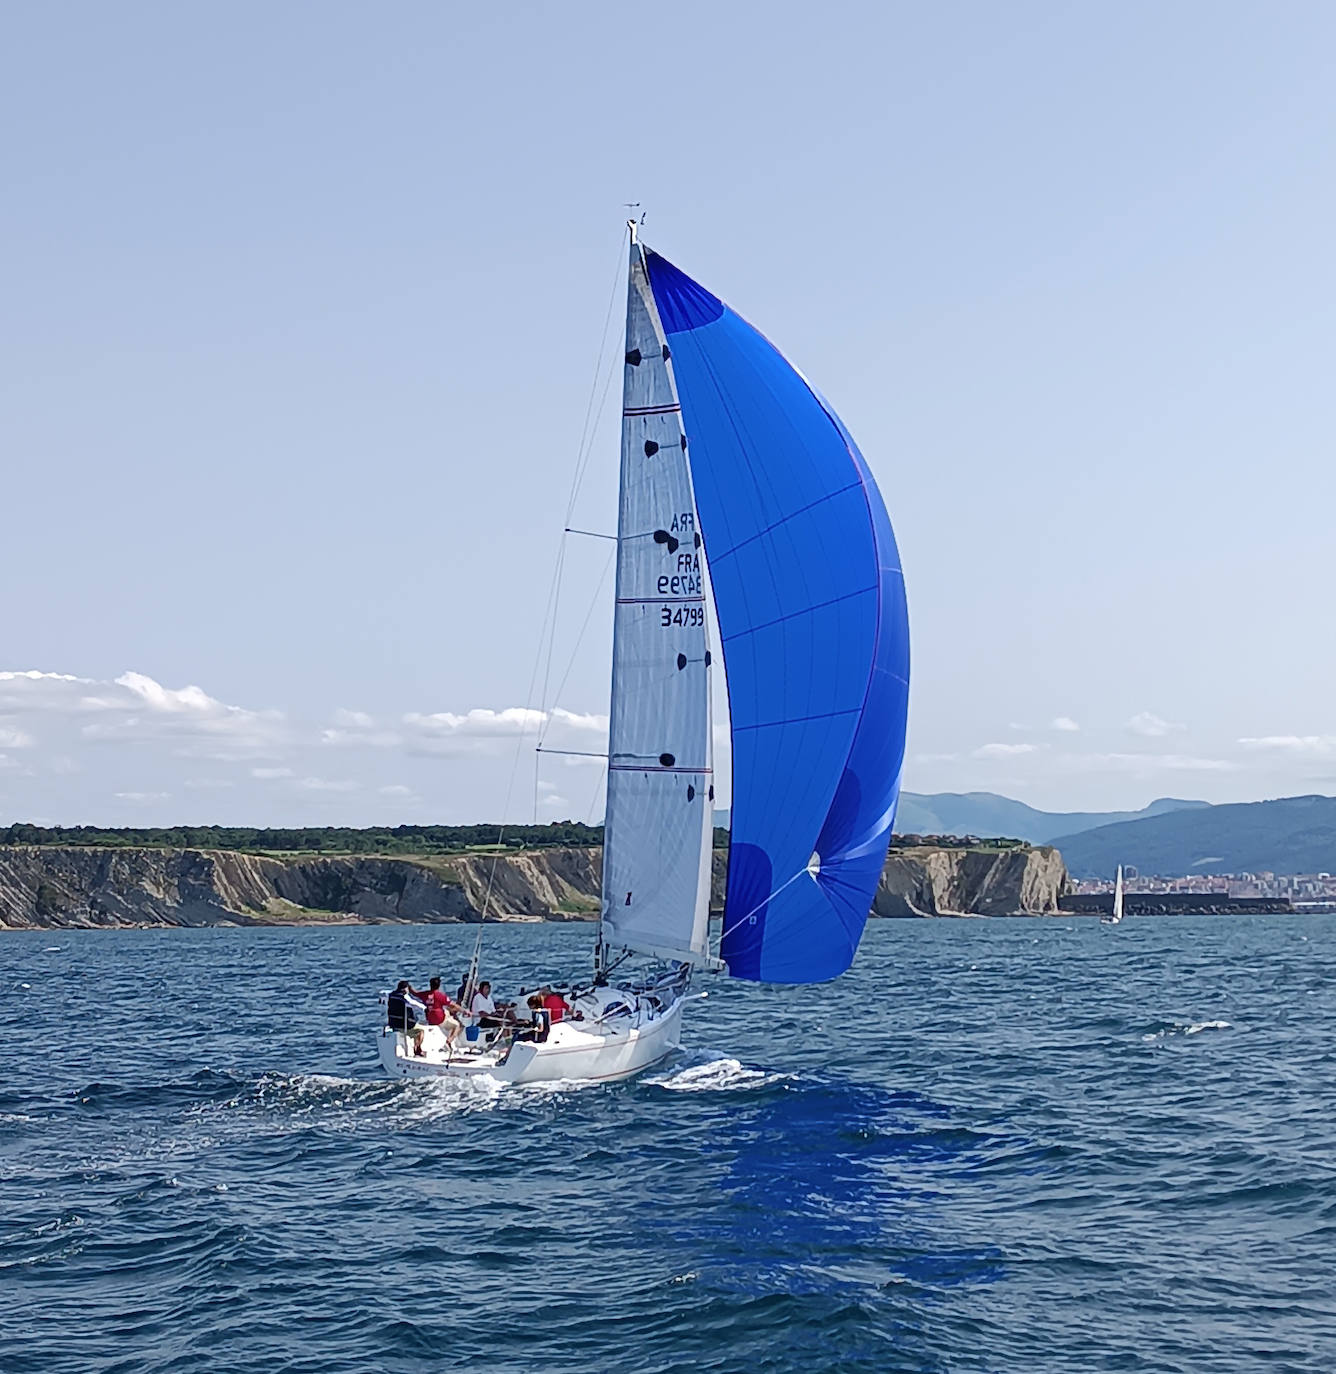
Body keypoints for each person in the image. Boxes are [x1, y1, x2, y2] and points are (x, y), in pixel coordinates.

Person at [416, 976, 464, 1048]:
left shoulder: (425, 994)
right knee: (457, 1025)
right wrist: (464, 1011)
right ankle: (449, 1041)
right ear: (439, 986)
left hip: (430, 1019)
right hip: (439, 1019)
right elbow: (453, 1004)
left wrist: (410, 988)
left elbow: (415, 993)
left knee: (447, 1013)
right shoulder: (440, 995)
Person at [386, 979, 428, 1056]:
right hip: (404, 1026)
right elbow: (414, 1004)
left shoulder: (391, 995)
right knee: (420, 1031)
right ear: (406, 988)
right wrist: (425, 1008)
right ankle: (417, 1050)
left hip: (394, 1024)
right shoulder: (404, 997)